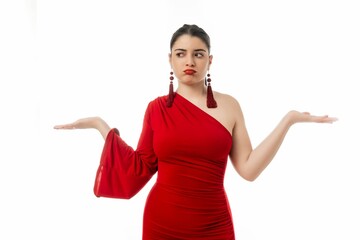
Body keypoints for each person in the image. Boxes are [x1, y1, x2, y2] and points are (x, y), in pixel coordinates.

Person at [54, 24, 337, 239]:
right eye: (181, 54)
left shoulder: (229, 106)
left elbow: (248, 170)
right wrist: (100, 125)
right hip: (161, 221)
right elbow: (140, 166)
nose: (189, 61)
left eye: (198, 54)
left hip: (214, 222)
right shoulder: (156, 109)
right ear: (171, 60)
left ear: (210, 61)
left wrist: (288, 120)